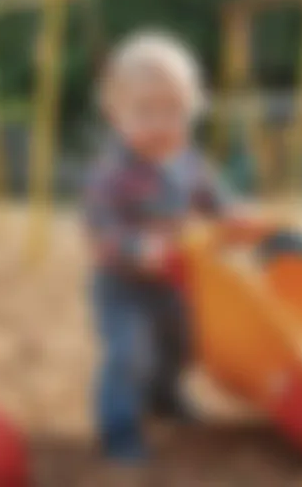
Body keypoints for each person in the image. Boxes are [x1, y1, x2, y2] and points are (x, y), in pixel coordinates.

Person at [84, 31, 271, 463]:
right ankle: (120, 427)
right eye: (145, 110)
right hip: (125, 286)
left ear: (193, 111)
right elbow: (101, 234)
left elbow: (213, 199)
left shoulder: (189, 163)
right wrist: (137, 247)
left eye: (174, 109)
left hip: (178, 281)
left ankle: (165, 396)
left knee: (184, 345)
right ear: (116, 115)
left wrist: (233, 216)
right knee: (130, 353)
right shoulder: (109, 175)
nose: (162, 123)